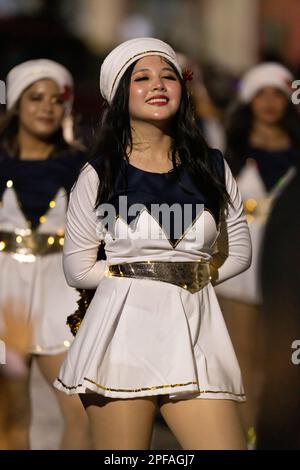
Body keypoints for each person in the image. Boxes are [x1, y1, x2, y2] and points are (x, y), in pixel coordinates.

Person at [54, 37, 251, 450]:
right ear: (121, 94)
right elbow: (77, 268)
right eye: (142, 78)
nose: (158, 85)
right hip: (122, 338)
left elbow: (239, 253)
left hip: (198, 334)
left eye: (168, 76)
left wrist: (194, 275)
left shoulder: (212, 165)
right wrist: (142, 275)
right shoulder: (99, 173)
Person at [0, 59, 90, 449]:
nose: (46, 107)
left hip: (62, 296)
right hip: (6, 298)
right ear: (17, 105)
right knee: (11, 415)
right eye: (35, 97)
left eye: (56, 100)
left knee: (83, 413)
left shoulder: (82, 165)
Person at [214, 63, 300, 444]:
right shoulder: (229, 157)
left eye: (277, 94)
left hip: (288, 274)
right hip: (239, 273)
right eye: (260, 94)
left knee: (280, 361)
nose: (269, 103)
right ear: (248, 101)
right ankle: (245, 437)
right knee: (242, 362)